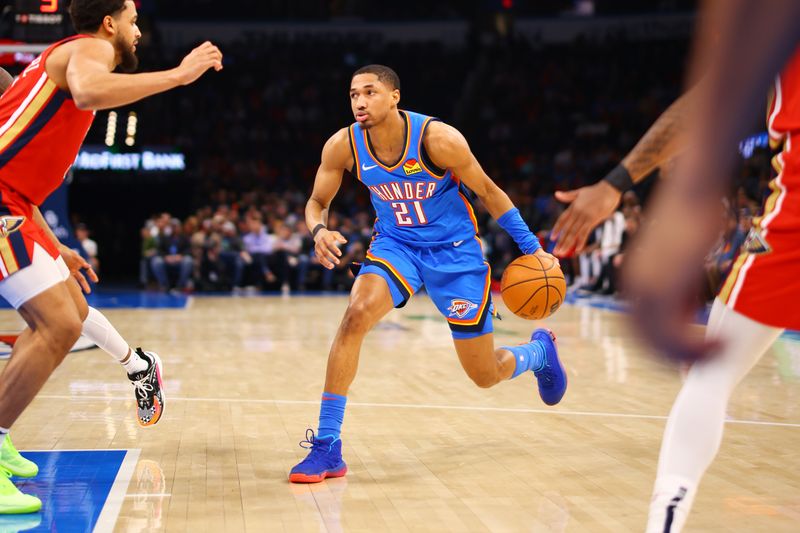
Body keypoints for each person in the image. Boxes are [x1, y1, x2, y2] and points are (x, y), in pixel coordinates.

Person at [289, 65, 568, 484]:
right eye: (353, 95)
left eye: (370, 92)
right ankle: (328, 446)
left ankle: (538, 353)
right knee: (355, 315)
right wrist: (319, 229)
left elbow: (490, 192)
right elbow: (316, 201)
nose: (360, 102)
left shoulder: (439, 139)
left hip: (455, 253)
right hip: (395, 246)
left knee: (484, 374)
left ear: (395, 96)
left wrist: (534, 250)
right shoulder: (342, 145)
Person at [0, 0, 222, 513]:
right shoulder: (90, 49)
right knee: (56, 324)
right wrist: (180, 75)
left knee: (71, 314)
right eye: (133, 20)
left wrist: (56, 246)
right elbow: (90, 90)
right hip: (4, 202)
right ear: (109, 23)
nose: (138, 31)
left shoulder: (68, 53)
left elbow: (21, 178)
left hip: (15, 204)